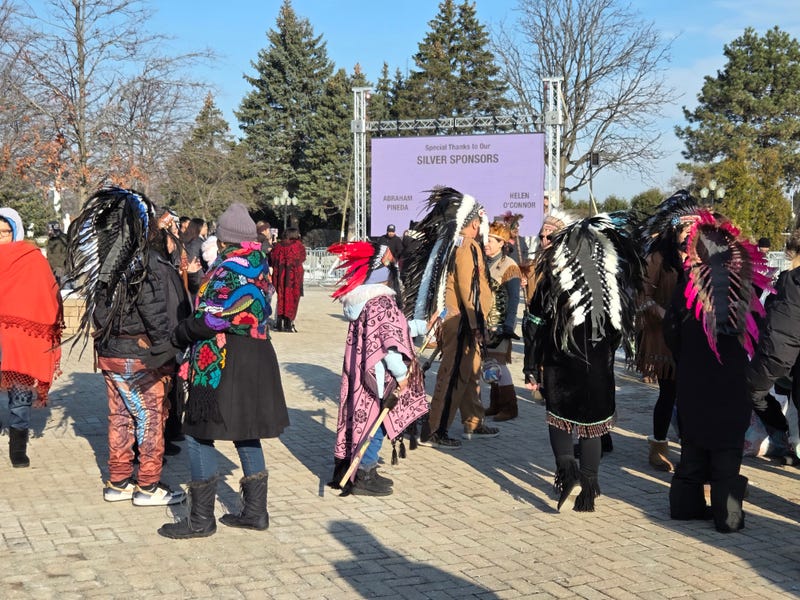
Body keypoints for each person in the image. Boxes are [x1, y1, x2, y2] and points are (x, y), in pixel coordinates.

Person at [158, 202, 289, 539]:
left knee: (199, 433)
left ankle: (200, 520)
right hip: (257, 359)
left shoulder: (229, 268)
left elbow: (213, 318)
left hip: (222, 361)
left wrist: (180, 333)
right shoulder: (260, 267)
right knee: (247, 431)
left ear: (226, 239)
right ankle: (255, 512)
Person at [67, 187, 185, 506]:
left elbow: (99, 312)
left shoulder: (105, 266)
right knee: (150, 419)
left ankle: (119, 481)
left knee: (119, 417)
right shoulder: (148, 265)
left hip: (110, 354)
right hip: (140, 355)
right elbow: (156, 315)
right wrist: (169, 350)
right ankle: (147, 484)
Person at [523, 213, 641, 512]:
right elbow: (619, 329)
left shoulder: (555, 277)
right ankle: (588, 491)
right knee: (592, 427)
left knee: (559, 419)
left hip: (561, 362)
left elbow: (534, 323)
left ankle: (568, 472)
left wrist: (530, 362)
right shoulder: (609, 283)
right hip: (599, 365)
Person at [665, 209, 772, 533]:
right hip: (731, 381)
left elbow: (672, 329)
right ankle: (727, 516)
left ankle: (686, 506)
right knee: (726, 449)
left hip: (695, 378)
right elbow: (760, 331)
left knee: (693, 445)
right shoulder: (746, 287)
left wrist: (686, 355)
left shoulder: (689, 283)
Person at [326, 241, 429, 496]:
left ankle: (365, 469)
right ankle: (365, 473)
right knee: (377, 424)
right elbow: (390, 345)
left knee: (371, 421)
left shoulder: (363, 302)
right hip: (382, 375)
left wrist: (423, 326)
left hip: (363, 374)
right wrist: (403, 375)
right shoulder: (382, 303)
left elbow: (397, 329)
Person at [402, 187, 497, 449]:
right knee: (452, 376)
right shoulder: (466, 247)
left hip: (462, 322)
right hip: (462, 324)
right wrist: (478, 324)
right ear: (475, 222)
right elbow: (469, 290)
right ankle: (434, 430)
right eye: (480, 220)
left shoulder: (462, 245)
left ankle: (468, 420)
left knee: (464, 375)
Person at [635, 191, 699, 472]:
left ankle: (690, 451)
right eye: (685, 228)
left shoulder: (700, 257)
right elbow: (641, 294)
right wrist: (662, 312)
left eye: (694, 229)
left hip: (693, 336)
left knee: (690, 396)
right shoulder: (659, 257)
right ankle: (658, 447)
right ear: (674, 230)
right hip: (664, 336)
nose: (689, 234)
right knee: (669, 393)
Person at [0, 207, 62, 468]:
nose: (1, 237)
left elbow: (48, 293)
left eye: (5, 231)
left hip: (21, 336)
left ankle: (17, 447)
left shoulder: (32, 259)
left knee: (20, 392)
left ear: (15, 231)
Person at [483, 220, 522, 421]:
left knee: (500, 363)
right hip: (485, 323)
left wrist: (508, 325)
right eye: (486, 240)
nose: (486, 244)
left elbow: (514, 298)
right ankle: (495, 403)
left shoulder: (510, 266)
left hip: (501, 324)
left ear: (501, 243)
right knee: (490, 363)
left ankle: (510, 406)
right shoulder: (484, 262)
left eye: (490, 240)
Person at [270, 227, 306, 332]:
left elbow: (273, 259)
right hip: (294, 277)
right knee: (293, 299)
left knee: (281, 298)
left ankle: (279, 323)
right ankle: (289, 323)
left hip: (280, 276)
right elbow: (302, 258)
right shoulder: (298, 246)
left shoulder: (278, 246)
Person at [45, 220, 69, 285]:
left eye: (49, 229)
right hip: (54, 271)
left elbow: (66, 254)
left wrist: (60, 267)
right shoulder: (51, 240)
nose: (48, 232)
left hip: (62, 272)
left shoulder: (64, 239)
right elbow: (50, 255)